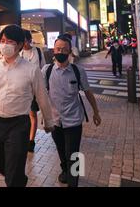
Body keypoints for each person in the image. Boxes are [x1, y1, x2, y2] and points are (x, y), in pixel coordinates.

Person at [0, 25, 55, 187]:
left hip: (18, 126)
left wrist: (49, 122)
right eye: (2, 41)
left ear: (20, 44)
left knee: (13, 170)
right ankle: (18, 179)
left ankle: (15, 180)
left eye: (10, 41)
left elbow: (42, 97)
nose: (4, 45)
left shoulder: (31, 70)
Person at [42, 35, 102, 187]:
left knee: (74, 154)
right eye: (57, 49)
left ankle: (74, 181)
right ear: (53, 50)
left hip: (74, 120)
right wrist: (44, 118)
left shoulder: (77, 70)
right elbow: (41, 94)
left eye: (64, 49)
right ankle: (65, 171)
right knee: (61, 151)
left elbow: (88, 92)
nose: (60, 51)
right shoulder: (46, 71)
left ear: (69, 52)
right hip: (55, 120)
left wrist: (96, 112)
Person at [20, 30, 46, 153]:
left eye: (26, 40)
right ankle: (23, 138)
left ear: (30, 39)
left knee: (32, 115)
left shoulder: (38, 52)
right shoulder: (19, 53)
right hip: (21, 89)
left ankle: (31, 140)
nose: (25, 43)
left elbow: (43, 69)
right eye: (23, 41)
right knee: (22, 115)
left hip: (34, 89)